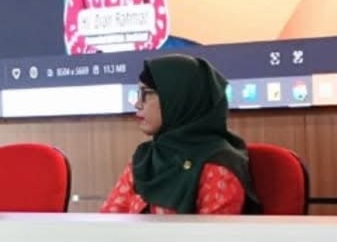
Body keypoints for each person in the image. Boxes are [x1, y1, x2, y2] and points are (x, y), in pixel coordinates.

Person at [101, 54, 259, 215]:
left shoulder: (219, 165)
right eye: (137, 93)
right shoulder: (145, 158)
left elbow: (213, 231)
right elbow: (109, 221)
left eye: (146, 93)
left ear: (179, 98)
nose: (137, 104)